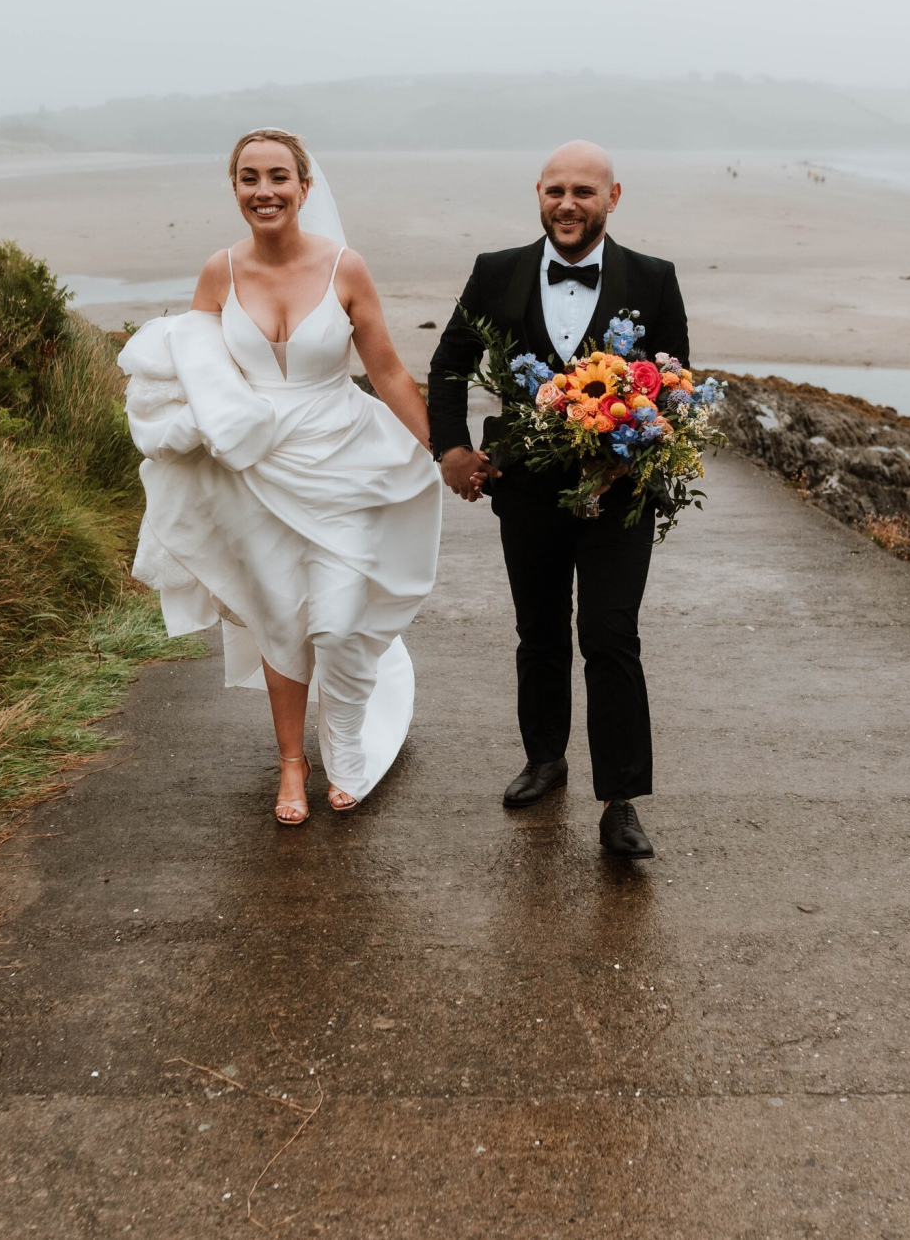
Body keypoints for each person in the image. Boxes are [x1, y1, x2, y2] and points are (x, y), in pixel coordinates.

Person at [120, 130, 442, 825]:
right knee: (280, 621)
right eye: (247, 178)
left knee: (337, 619)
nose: (262, 190)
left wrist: (443, 447)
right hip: (255, 472)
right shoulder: (218, 273)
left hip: (345, 459)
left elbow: (384, 369)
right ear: (235, 188)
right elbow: (197, 377)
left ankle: (348, 741)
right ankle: (292, 765)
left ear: (304, 186)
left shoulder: (346, 269)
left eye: (277, 177)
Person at [426, 141, 689, 860]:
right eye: (555, 192)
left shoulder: (654, 279)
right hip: (527, 489)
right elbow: (448, 365)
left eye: (584, 192)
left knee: (609, 636)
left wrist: (642, 444)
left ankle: (621, 801)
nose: (568, 205)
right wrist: (449, 449)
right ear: (538, 193)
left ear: (613, 196)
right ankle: (545, 760)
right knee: (539, 632)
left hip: (621, 493)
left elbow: (674, 381)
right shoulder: (496, 272)